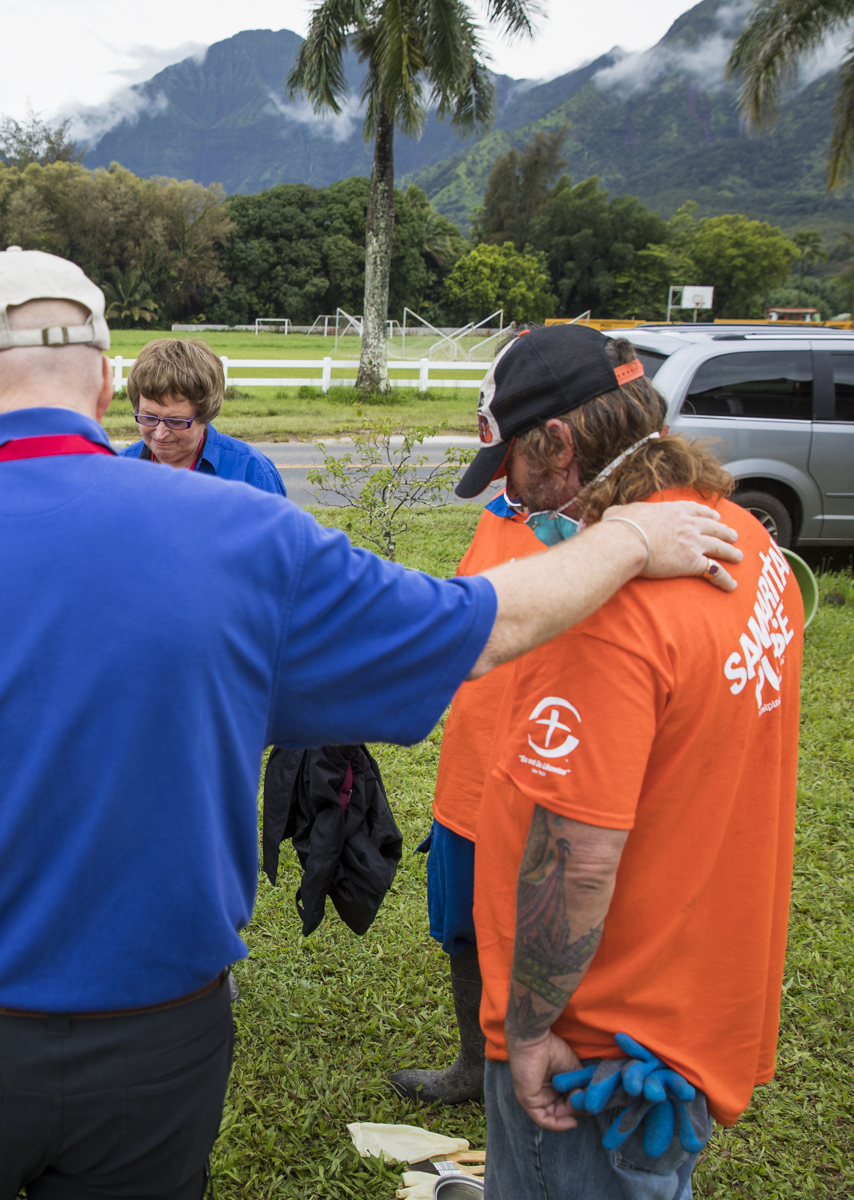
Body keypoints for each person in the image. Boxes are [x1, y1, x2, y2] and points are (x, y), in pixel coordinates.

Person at [0, 247, 742, 1200]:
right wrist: (630, 539)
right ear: (101, 390)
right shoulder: (248, 537)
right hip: (159, 1043)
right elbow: (478, 625)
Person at [466, 324, 803, 1198]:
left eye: (514, 465)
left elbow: (576, 855)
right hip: (685, 1007)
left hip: (596, 1047)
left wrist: (530, 1029)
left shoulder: (603, 613)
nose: (509, 492)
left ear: (559, 445)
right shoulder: (738, 535)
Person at [390, 343, 548, 1107]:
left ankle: (533, 1079)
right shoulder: (500, 515)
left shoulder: (611, 543)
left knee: (540, 943)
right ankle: (473, 1066)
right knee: (464, 934)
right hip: (470, 777)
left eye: (508, 460)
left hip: (544, 786)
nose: (505, 486)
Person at [116, 337, 287, 495]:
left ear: (206, 413)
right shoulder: (118, 470)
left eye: (176, 421)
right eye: (149, 417)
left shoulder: (251, 474)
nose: (160, 433)